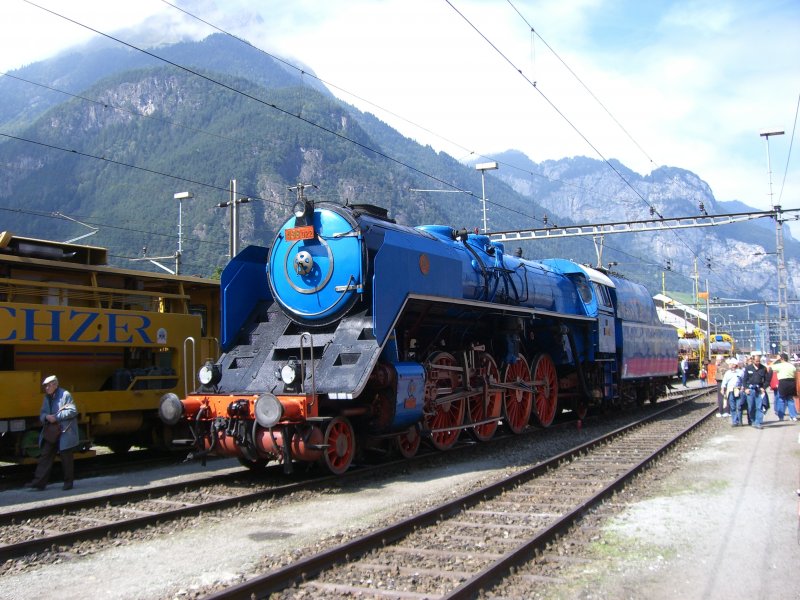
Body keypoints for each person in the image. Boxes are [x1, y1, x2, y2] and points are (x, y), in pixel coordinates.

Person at [26, 375, 79, 490]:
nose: (46, 388)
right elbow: (42, 413)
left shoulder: (65, 395)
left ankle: (68, 483)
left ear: (55, 384)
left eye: (49, 385)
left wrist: (56, 417)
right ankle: (39, 483)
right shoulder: (47, 398)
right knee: (45, 455)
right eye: (45, 386)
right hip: (52, 431)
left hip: (64, 431)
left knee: (66, 458)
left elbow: (73, 410)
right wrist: (46, 417)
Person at [741, 352, 769, 429]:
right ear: (753, 360)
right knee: (751, 407)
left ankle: (758, 422)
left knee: (759, 406)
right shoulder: (748, 368)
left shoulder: (763, 368)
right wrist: (746, 388)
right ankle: (753, 420)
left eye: (759, 361)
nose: (758, 363)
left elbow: (767, 380)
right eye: (756, 361)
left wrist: (764, 387)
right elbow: (744, 380)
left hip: (759, 389)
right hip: (750, 389)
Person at [771, 352, 798, 422]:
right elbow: (795, 374)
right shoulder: (791, 366)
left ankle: (781, 416)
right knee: (790, 400)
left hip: (783, 383)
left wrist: (776, 360)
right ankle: (793, 416)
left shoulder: (780, 365)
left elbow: (770, 367)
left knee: (781, 400)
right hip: (791, 382)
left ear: (781, 359)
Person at [721, 358, 743, 426]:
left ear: (734, 365)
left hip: (738, 390)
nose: (729, 365)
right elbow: (724, 381)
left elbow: (743, 381)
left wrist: (743, 387)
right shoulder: (728, 373)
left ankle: (739, 421)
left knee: (739, 406)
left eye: (730, 364)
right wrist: (722, 388)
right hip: (730, 391)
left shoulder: (740, 372)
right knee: (732, 407)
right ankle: (734, 421)